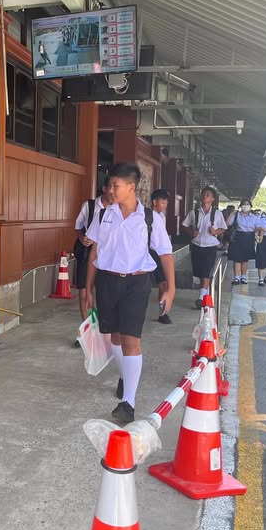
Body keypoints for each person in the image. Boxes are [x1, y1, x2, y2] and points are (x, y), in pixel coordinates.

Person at [84, 163, 175, 423]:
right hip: (107, 281)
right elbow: (95, 251)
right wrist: (88, 287)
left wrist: (170, 288)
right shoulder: (103, 215)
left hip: (137, 283)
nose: (110, 190)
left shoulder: (150, 219)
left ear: (131, 187)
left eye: (116, 186)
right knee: (114, 337)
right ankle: (125, 376)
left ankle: (129, 403)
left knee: (131, 340)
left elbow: (165, 253)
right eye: (110, 185)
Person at [72, 177, 113, 346]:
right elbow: (78, 226)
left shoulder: (118, 209)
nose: (113, 191)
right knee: (83, 293)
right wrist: (82, 238)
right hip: (87, 254)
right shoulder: (89, 206)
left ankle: (104, 332)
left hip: (108, 256)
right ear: (104, 188)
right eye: (111, 187)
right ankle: (87, 333)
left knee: (104, 294)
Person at [182, 186, 227, 308]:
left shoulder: (217, 214)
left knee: (206, 271)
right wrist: (191, 232)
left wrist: (215, 232)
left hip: (210, 246)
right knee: (199, 272)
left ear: (212, 199)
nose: (205, 196)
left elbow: (223, 228)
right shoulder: (194, 213)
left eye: (208, 194)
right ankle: (206, 294)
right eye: (204, 194)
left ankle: (201, 298)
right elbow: (184, 225)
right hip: (197, 245)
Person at [150, 189, 173, 324]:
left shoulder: (161, 217)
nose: (164, 206)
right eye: (162, 203)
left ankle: (162, 313)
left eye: (166, 203)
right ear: (155, 202)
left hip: (160, 254)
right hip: (149, 252)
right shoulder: (148, 216)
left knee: (163, 284)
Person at [227, 199, 257, 285]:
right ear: (240, 206)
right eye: (244, 204)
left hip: (249, 237)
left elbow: (257, 227)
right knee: (237, 258)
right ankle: (236, 277)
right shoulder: (237, 215)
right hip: (237, 237)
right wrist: (232, 213)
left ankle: (243, 277)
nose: (245, 206)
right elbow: (228, 223)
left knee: (245, 259)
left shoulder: (254, 217)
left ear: (250, 206)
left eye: (247, 204)